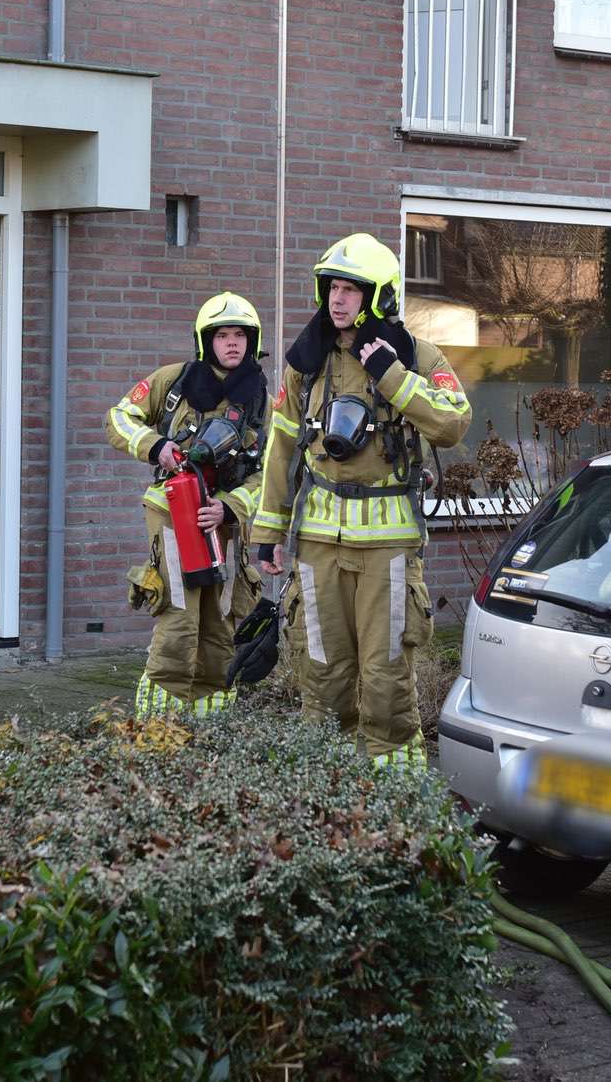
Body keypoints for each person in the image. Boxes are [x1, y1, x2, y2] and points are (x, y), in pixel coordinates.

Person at [251, 233, 471, 769]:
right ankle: (325, 793)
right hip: (318, 545)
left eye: (350, 289)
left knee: (386, 679)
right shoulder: (306, 364)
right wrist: (267, 533)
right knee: (321, 675)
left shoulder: (415, 356)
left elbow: (452, 423)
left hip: (387, 550)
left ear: (379, 295)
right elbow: (281, 449)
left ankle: (394, 794)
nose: (337, 299)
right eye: (332, 288)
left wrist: (391, 377)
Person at [106, 292, 269, 718]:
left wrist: (230, 507)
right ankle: (159, 726)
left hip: (225, 523)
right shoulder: (173, 382)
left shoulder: (261, 401)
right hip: (172, 513)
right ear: (205, 340)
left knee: (221, 620)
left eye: (240, 336)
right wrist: (155, 445)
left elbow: (272, 470)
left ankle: (212, 722)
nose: (232, 343)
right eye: (222, 335)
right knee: (180, 614)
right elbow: (119, 418)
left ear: (252, 341)